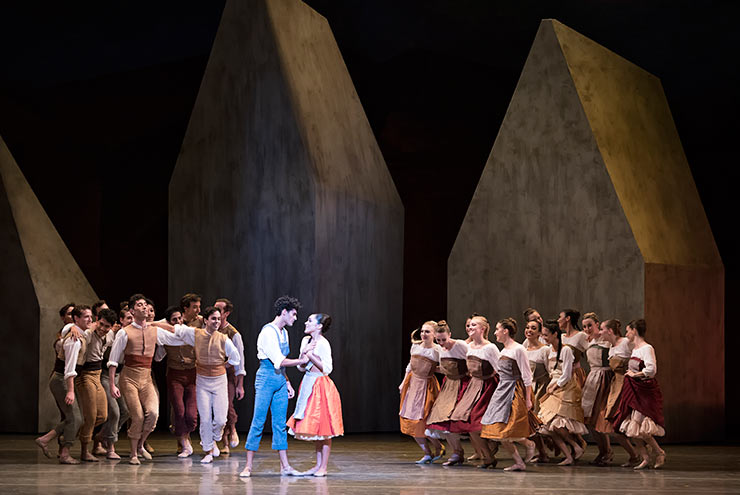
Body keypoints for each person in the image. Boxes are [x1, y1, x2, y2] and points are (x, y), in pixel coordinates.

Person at [107, 294, 194, 465]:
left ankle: (140, 444)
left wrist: (200, 336)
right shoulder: (125, 333)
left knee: (153, 413)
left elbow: (176, 337)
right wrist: (112, 384)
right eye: (140, 305)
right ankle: (133, 453)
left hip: (146, 378)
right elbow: (113, 360)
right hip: (129, 378)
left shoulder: (154, 330)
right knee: (138, 416)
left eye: (146, 305)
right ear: (132, 311)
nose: (144, 307)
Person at [150, 306, 241, 463]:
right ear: (205, 320)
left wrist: (224, 365)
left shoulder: (223, 338)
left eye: (219, 319)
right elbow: (174, 329)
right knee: (205, 417)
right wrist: (150, 324)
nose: (217, 322)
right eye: (213, 319)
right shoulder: (195, 334)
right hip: (202, 381)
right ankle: (208, 450)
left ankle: (216, 437)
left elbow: (235, 357)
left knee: (220, 419)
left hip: (219, 381)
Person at [240, 296, 308, 478]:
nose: (295, 318)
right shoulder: (268, 332)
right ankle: (248, 466)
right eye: (293, 314)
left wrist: (287, 381)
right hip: (266, 377)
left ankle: (285, 466)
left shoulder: (284, 332)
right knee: (258, 421)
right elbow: (278, 360)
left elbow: (282, 364)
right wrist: (302, 361)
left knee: (280, 424)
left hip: (279, 379)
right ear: (284, 312)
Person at [286, 313, 344, 476]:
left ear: (319, 326)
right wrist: (303, 357)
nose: (306, 322)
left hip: (321, 385)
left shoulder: (323, 344)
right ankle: (318, 466)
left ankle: (323, 467)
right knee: (316, 429)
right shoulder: (306, 341)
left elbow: (327, 368)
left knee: (323, 428)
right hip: (308, 382)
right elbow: (301, 367)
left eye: (310, 321)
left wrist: (310, 355)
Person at [481, 318, 536, 471]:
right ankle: (521, 457)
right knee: (496, 430)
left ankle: (526, 448)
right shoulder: (503, 350)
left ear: (505, 331)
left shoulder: (518, 349)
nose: (495, 333)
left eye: (497, 329)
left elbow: (527, 375)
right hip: (501, 390)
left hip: (514, 390)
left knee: (505, 429)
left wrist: (528, 398)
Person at [611, 319, 666, 470]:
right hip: (633, 390)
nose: (626, 333)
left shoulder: (646, 348)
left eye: (628, 330)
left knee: (641, 428)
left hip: (643, 390)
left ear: (634, 330)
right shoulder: (635, 349)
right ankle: (646, 457)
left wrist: (636, 375)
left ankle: (659, 452)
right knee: (632, 429)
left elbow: (651, 369)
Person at [448, 315, 500, 468]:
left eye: (474, 325)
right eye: (469, 326)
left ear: (482, 329)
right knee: (468, 422)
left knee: (477, 422)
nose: (470, 328)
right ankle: (488, 456)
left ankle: (491, 447)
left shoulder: (490, 347)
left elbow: (499, 370)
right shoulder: (467, 346)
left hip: (487, 387)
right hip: (473, 386)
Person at [537, 322, 587, 465]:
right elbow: (550, 370)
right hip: (553, 385)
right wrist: (551, 385)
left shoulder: (566, 350)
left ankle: (575, 445)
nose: (544, 337)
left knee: (558, 424)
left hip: (565, 387)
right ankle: (569, 454)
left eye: (546, 334)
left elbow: (566, 373)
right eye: (543, 334)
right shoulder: (548, 350)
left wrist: (556, 386)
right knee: (547, 425)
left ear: (554, 334)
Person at [398, 321, 443, 464]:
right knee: (411, 420)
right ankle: (427, 452)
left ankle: (438, 446)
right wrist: (403, 383)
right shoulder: (415, 346)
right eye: (423, 331)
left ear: (435, 334)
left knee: (424, 420)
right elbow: (410, 366)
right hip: (412, 384)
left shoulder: (437, 350)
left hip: (426, 385)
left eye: (427, 332)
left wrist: (431, 368)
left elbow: (444, 367)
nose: (423, 334)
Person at [426, 320, 468, 464]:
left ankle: (481, 451)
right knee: (441, 419)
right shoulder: (440, 350)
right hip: (448, 386)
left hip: (462, 384)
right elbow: (444, 369)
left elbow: (472, 361)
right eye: (438, 340)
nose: (442, 342)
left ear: (450, 335)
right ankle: (457, 452)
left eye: (444, 339)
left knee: (455, 419)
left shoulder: (460, 345)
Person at [599, 319, 639, 467]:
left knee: (623, 423)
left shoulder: (625, 343)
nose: (600, 332)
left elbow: (637, 360)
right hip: (616, 385)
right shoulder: (611, 347)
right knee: (613, 424)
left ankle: (640, 453)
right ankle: (635, 454)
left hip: (627, 385)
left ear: (610, 331)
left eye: (602, 329)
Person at [163, 301, 198, 458]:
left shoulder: (190, 332)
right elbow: (158, 357)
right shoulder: (165, 334)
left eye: (179, 319)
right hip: (175, 374)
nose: (177, 322)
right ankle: (183, 442)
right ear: (168, 322)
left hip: (192, 374)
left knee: (191, 416)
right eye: (174, 320)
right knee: (178, 410)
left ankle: (186, 434)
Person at [95, 308, 130, 460]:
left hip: (120, 375)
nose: (131, 321)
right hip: (105, 375)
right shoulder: (111, 334)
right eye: (128, 318)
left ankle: (102, 435)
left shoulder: (133, 333)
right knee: (114, 412)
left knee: (126, 411)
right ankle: (111, 447)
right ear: (120, 321)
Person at [214, 298, 246, 454]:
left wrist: (240, 384)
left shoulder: (233, 334)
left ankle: (232, 428)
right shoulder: (210, 328)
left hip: (228, 374)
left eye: (219, 310)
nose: (216, 312)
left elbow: (240, 362)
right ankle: (224, 443)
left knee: (226, 404)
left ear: (226, 313)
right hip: (211, 374)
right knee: (216, 407)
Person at [523, 318, 551, 462]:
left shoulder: (544, 350)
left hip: (541, 389)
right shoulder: (523, 348)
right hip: (527, 388)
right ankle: (541, 452)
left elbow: (550, 371)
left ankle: (544, 451)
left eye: (533, 328)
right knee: (529, 422)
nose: (529, 330)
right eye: (528, 327)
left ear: (540, 332)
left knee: (538, 421)